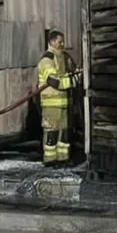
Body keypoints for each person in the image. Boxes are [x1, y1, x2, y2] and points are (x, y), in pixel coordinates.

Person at [37, 29, 82, 166]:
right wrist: (72, 81)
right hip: (51, 103)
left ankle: (63, 158)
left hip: (64, 102)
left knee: (65, 133)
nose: (62, 44)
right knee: (52, 132)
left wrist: (77, 74)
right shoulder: (47, 60)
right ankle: (50, 160)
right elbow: (54, 81)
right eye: (59, 42)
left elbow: (74, 70)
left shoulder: (65, 57)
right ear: (51, 42)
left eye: (63, 41)